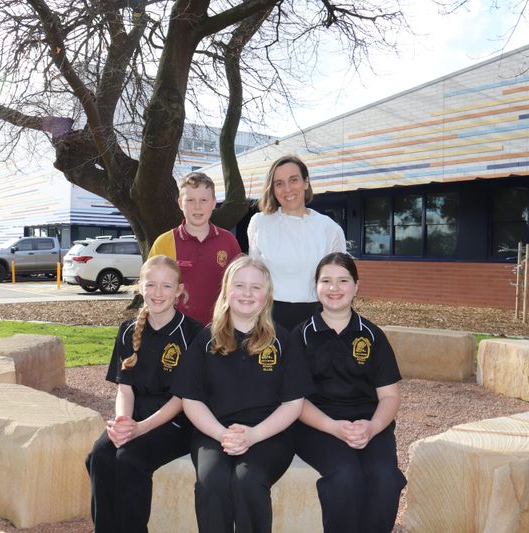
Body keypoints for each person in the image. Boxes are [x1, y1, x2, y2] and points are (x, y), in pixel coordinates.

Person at [171, 256, 314, 533]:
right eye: (240, 285)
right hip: (213, 433)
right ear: (226, 291)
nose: (247, 293)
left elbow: (294, 402)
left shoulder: (283, 341)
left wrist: (254, 435)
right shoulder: (206, 340)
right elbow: (191, 399)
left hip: (269, 435)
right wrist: (221, 434)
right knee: (212, 482)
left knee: (247, 480)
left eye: (256, 287)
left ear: (267, 295)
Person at [85, 255, 203, 533]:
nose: (158, 293)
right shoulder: (128, 330)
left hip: (176, 421)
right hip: (136, 414)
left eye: (166, 286)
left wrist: (140, 429)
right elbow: (125, 388)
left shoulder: (193, 334)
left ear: (179, 291)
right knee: (99, 457)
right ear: (140, 287)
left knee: (129, 460)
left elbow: (182, 399)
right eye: (151, 285)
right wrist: (123, 422)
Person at [291, 252, 406, 533]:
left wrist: (373, 426)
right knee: (345, 476)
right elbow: (295, 400)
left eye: (343, 280)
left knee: (385, 477)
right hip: (317, 424)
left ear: (356, 286)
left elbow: (390, 396)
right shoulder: (300, 336)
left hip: (369, 423)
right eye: (326, 280)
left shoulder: (372, 335)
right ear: (315, 287)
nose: (334, 288)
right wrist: (332, 427)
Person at [247, 155, 346, 331]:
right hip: (268, 319)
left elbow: (340, 282)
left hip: (315, 318)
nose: (287, 189)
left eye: (293, 180)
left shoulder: (329, 228)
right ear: (273, 189)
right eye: (279, 183)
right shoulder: (259, 223)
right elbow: (254, 277)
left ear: (306, 182)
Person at [149, 172, 242, 325]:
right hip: (175, 331)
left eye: (204, 200)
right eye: (190, 200)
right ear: (180, 203)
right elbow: (150, 290)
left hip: (219, 330)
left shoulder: (229, 241)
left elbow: (238, 289)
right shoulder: (164, 243)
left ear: (213, 203)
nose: (197, 206)